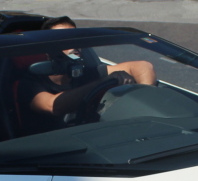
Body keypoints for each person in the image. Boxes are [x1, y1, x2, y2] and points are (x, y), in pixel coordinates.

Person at [23, 17, 156, 132]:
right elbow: (53, 106)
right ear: (47, 49)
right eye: (63, 40)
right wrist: (102, 82)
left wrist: (145, 105)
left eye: (76, 38)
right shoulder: (30, 83)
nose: (74, 44)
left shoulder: (87, 73)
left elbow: (142, 66)